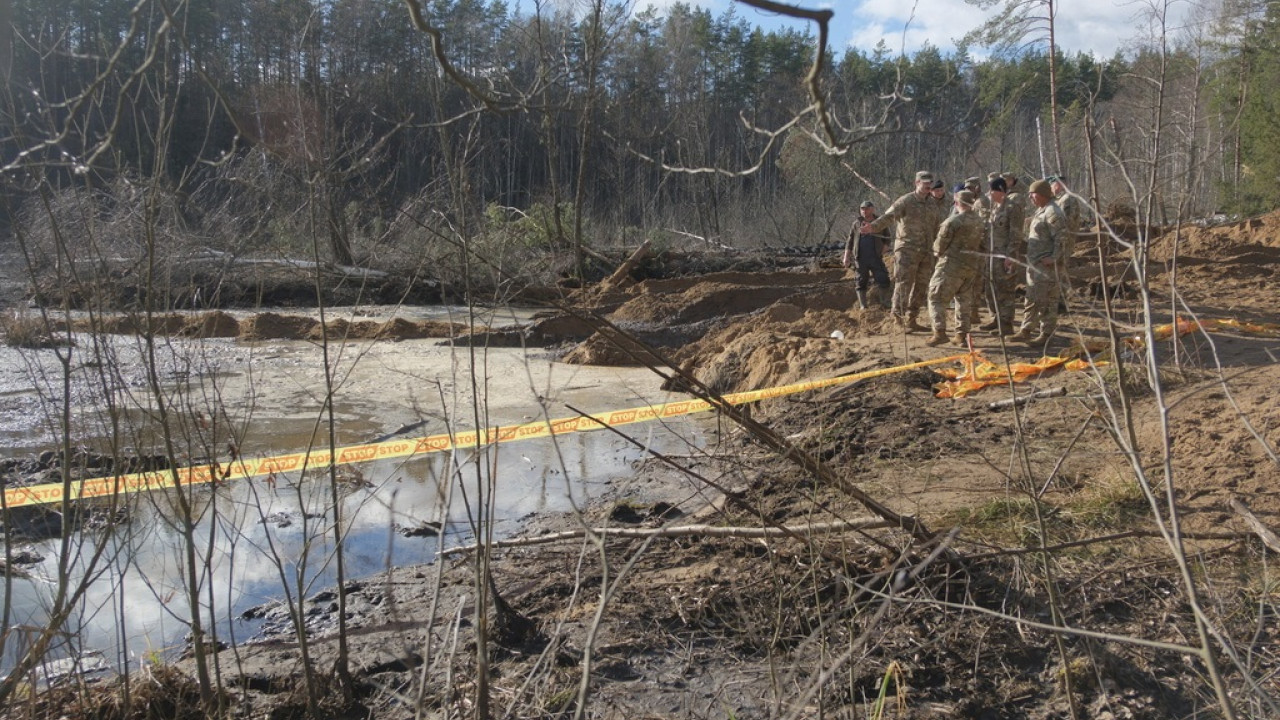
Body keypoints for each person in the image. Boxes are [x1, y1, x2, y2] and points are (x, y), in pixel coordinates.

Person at [861, 171, 937, 331]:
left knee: (922, 285)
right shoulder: (906, 201)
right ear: (916, 183)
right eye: (924, 182)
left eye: (929, 182)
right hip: (907, 250)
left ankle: (912, 319)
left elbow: (938, 224)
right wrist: (872, 227)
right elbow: (889, 217)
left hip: (926, 251)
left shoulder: (932, 203)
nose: (927, 185)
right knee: (904, 284)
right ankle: (898, 319)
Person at [1009, 180, 1067, 345]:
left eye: (1032, 194)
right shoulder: (1042, 210)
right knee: (1032, 297)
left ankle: (1046, 334)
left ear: (1041, 194)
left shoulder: (1053, 212)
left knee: (1047, 300)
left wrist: (1054, 258)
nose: (1030, 197)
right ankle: (1026, 330)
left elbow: (1062, 238)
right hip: (1035, 265)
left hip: (1046, 267)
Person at [925, 190, 986, 346]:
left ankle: (939, 332)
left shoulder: (952, 222)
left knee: (935, 297)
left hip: (950, 266)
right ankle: (962, 335)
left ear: (957, 203)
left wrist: (937, 252)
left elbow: (939, 247)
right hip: (971, 266)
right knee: (963, 300)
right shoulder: (979, 221)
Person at [978, 177, 1024, 334]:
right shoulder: (994, 208)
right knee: (992, 289)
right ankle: (996, 319)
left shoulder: (1012, 208)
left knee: (1005, 291)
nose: (989, 194)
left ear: (1000, 191)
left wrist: (1010, 256)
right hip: (992, 256)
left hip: (1005, 256)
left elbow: (1016, 234)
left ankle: (1006, 325)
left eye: (992, 190)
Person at [843, 200, 892, 309]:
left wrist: (883, 250)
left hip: (875, 257)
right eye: (862, 209)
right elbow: (850, 241)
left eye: (867, 208)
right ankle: (863, 306)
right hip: (860, 258)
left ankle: (884, 302)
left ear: (872, 209)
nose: (865, 211)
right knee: (860, 281)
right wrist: (846, 256)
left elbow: (888, 238)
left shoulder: (879, 222)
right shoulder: (856, 223)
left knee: (883, 278)